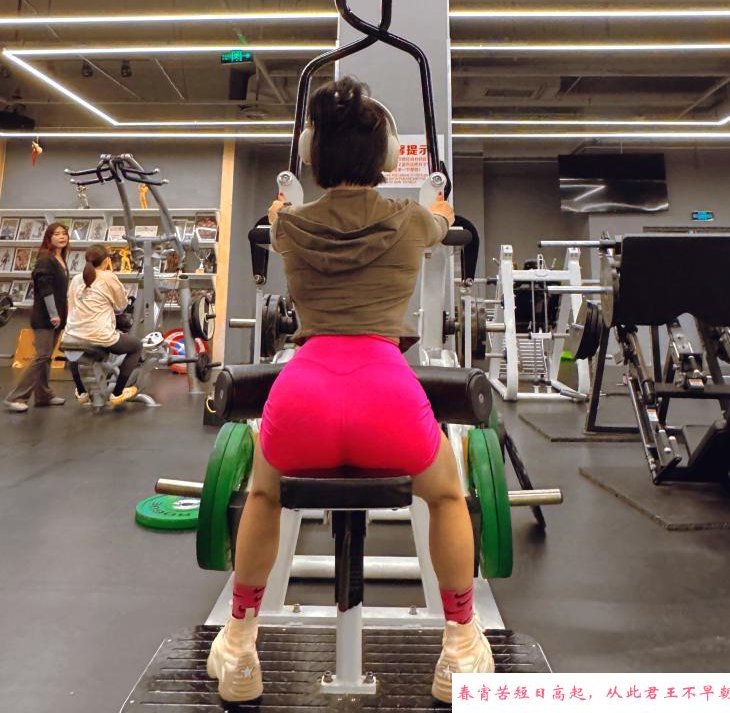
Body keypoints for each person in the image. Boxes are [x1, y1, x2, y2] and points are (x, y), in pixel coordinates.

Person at [206, 77, 494, 704]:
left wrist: (283, 200)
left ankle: (240, 642)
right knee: (447, 495)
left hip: (303, 390)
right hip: (386, 391)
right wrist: (437, 201)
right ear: (385, 156)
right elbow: (442, 220)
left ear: (312, 155)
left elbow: (276, 214)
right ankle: (458, 646)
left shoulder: (289, 225)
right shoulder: (412, 222)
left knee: (264, 493)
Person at [62, 244, 141, 407]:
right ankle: (118, 393)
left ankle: (81, 392)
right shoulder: (108, 277)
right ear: (106, 261)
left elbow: (71, 306)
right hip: (100, 336)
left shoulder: (76, 279)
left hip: (71, 335)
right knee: (136, 346)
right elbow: (121, 306)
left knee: (74, 347)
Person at [4, 222, 70, 412]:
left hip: (58, 316)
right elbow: (45, 288)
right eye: (57, 234)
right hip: (45, 317)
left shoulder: (60, 258)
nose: (62, 237)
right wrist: (54, 314)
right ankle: (16, 396)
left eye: (64, 233)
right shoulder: (45, 259)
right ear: (49, 238)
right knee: (42, 356)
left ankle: (43, 395)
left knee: (47, 357)